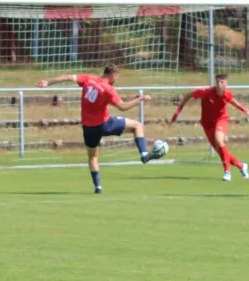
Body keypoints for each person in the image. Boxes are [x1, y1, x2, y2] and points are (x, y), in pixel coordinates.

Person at [36, 64, 162, 194]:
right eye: (116, 78)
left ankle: (98, 187)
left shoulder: (88, 79)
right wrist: (140, 99)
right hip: (105, 124)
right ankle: (144, 154)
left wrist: (48, 82)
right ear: (113, 76)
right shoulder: (108, 89)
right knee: (137, 126)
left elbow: (68, 77)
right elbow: (122, 107)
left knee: (92, 157)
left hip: (88, 128)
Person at [169, 73, 249, 181]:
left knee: (220, 141)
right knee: (222, 153)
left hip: (221, 120)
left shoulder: (227, 94)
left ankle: (227, 172)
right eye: (217, 82)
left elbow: (236, 104)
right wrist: (177, 112)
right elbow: (188, 95)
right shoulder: (206, 92)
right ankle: (241, 166)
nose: (219, 84)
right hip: (207, 124)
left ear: (226, 84)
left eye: (222, 82)